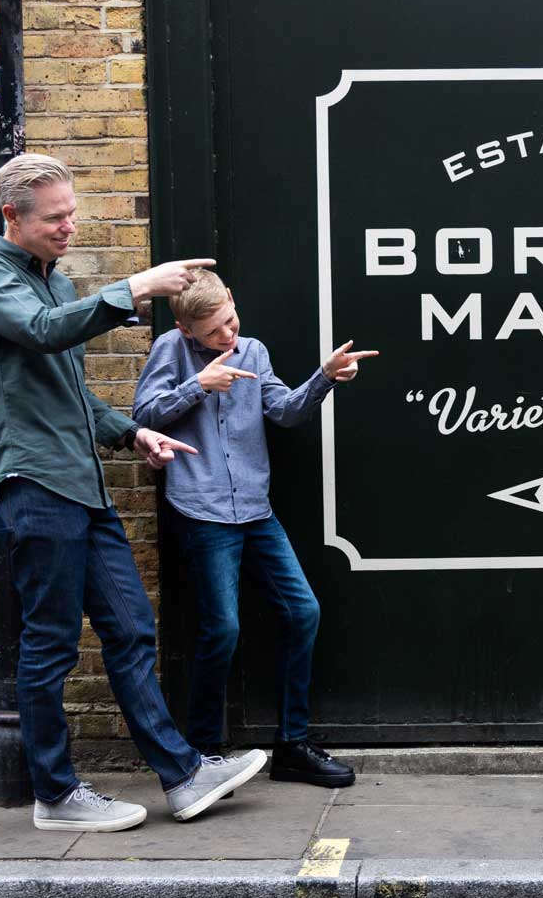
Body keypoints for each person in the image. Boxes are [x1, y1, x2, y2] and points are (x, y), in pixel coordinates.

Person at [0, 153, 267, 833]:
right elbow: (40, 333)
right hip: (31, 482)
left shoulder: (56, 283)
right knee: (52, 645)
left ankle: (183, 776)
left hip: (81, 484)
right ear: (12, 217)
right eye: (55, 217)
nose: (69, 226)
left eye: (71, 212)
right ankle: (56, 795)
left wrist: (133, 434)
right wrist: (138, 286)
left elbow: (70, 393)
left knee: (130, 627)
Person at [133, 269, 378, 786]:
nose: (229, 335)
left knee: (303, 611)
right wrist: (198, 386)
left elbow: (285, 413)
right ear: (185, 328)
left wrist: (326, 377)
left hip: (256, 508)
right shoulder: (170, 353)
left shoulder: (254, 352)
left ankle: (291, 744)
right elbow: (144, 416)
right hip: (202, 511)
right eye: (216, 331)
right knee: (222, 628)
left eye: (231, 319)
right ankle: (200, 755)